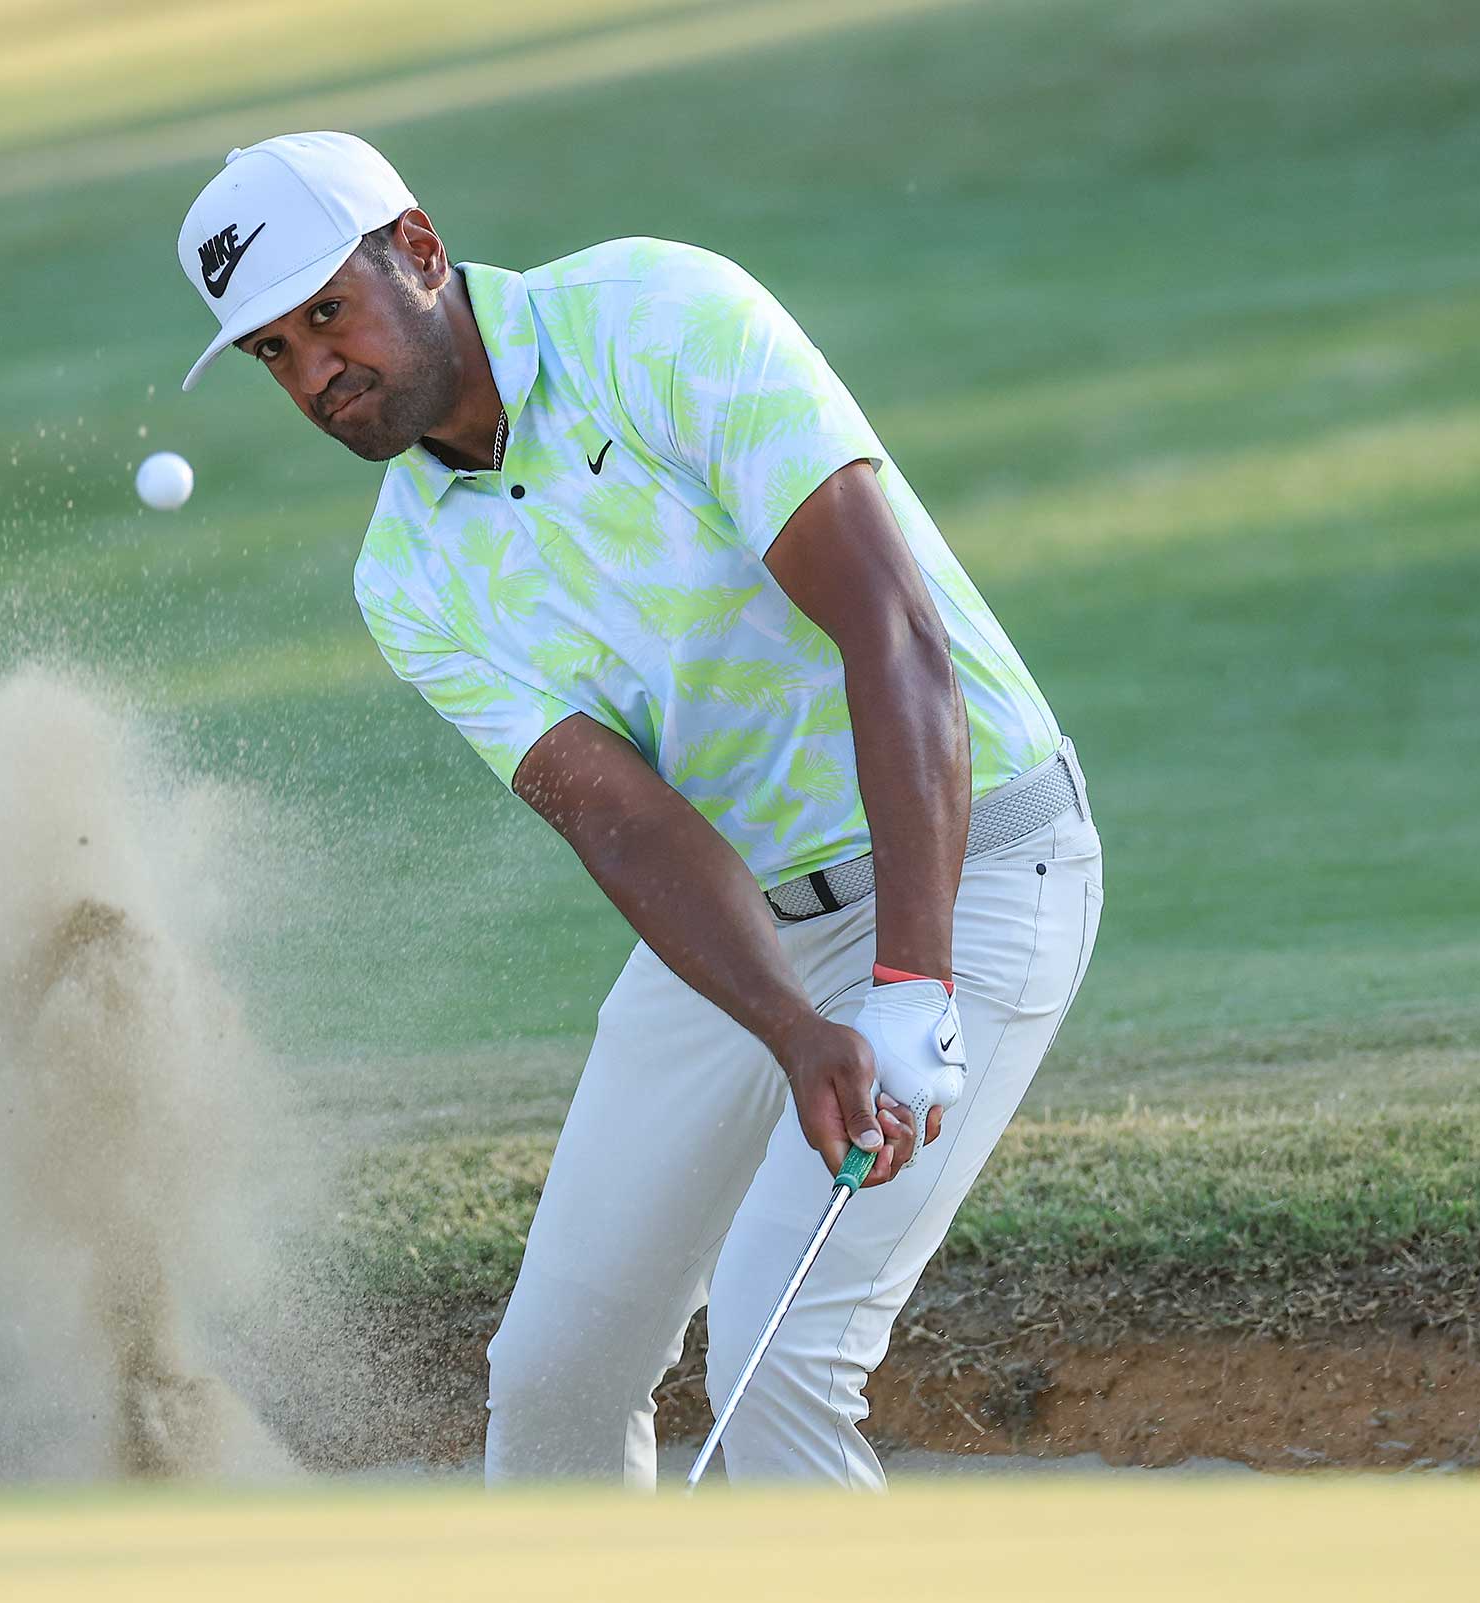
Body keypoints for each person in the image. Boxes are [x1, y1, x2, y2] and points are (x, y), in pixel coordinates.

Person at [173, 131, 1103, 1489]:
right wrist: (794, 1029)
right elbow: (626, 826)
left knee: (779, 1366)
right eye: (274, 352)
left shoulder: (662, 320)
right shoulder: (409, 577)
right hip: (748, 922)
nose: (318, 375)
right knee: (554, 1382)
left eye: (329, 314)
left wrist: (909, 982)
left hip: (974, 864)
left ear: (421, 251)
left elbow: (891, 636)